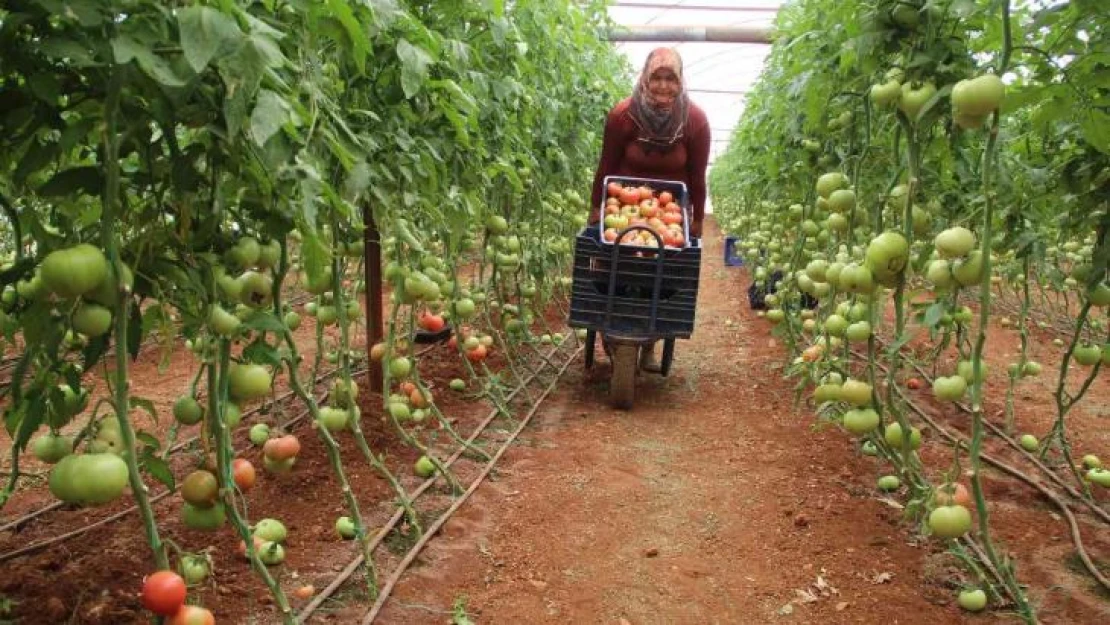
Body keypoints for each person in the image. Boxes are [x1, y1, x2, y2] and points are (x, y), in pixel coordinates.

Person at [589, 47, 711, 372]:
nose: (662, 86)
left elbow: (697, 177)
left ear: (680, 80)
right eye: (656, 77)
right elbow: (606, 166)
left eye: (670, 78)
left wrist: (697, 218)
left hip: (668, 213)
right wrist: (596, 208)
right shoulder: (623, 116)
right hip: (624, 206)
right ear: (645, 77)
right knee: (608, 266)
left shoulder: (694, 121)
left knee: (666, 274)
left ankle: (651, 340)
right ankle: (610, 326)